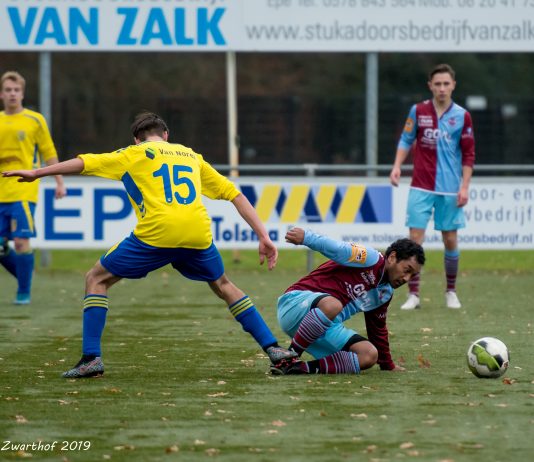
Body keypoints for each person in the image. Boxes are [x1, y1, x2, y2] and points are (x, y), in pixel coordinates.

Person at [2, 112, 296, 378]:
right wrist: (263, 235)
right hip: (196, 233)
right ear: (166, 134)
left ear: (136, 138)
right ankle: (273, 348)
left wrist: (38, 173)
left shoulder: (134, 153)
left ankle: (91, 358)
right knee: (223, 283)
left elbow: (85, 162)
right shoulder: (190, 155)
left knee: (96, 278)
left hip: (157, 233)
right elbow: (234, 194)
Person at [270, 227, 425, 375]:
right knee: (333, 305)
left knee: (369, 355)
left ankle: (300, 368)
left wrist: (387, 365)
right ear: (392, 258)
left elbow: (377, 329)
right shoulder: (370, 257)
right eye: (407, 270)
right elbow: (337, 249)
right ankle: (289, 356)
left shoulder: (385, 293)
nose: (407, 279)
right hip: (294, 304)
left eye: (413, 276)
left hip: (321, 326)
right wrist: (306, 238)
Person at [389, 63, 475, 310]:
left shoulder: (462, 115)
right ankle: (413, 295)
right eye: (437, 84)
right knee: (414, 241)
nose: (442, 88)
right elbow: (406, 139)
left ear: (453, 85)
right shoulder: (418, 111)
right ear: (430, 86)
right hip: (421, 187)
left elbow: (469, 154)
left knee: (450, 239)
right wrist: (396, 166)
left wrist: (465, 186)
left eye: (446, 83)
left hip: (449, 190)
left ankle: (450, 291)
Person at [0, 71, 66, 305]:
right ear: (1, 94)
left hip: (23, 190)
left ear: (22, 94)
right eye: (8, 90)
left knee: (20, 242)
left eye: (16, 90)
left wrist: (59, 181)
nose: (12, 94)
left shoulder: (34, 120)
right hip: (1, 191)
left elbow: (49, 152)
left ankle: (23, 292)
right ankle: (24, 276)